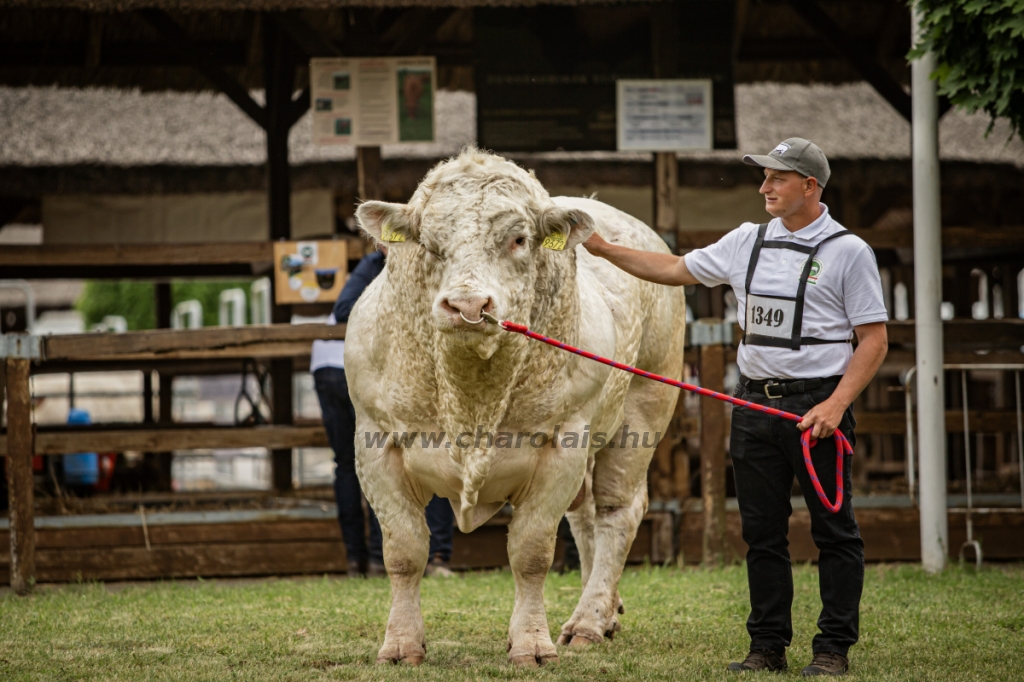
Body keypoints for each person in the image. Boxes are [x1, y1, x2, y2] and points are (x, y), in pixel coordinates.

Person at [582, 138, 888, 677]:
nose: (764, 187)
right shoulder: (747, 240)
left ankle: (832, 648)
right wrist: (605, 251)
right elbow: (676, 269)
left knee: (833, 531)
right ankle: (767, 646)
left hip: (818, 408)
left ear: (810, 186)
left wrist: (837, 405)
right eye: (764, 177)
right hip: (752, 404)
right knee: (760, 533)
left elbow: (874, 340)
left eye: (777, 178)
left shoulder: (848, 251)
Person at [312, 245, 456, 578]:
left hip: (338, 366)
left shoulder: (383, 263)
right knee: (399, 457)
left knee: (360, 462)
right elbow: (344, 308)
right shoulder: (382, 262)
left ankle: (367, 560)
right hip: (361, 368)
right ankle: (412, 557)